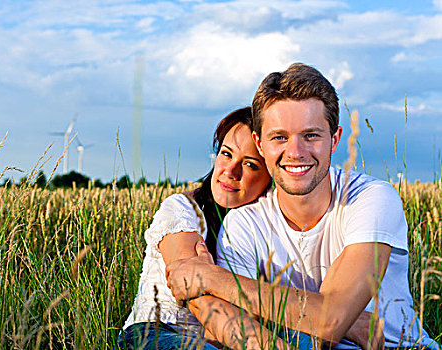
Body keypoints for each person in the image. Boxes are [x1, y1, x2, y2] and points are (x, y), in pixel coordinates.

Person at [166, 63, 440, 349]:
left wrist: (211, 278)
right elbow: (237, 329)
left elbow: (330, 321)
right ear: (260, 144)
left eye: (311, 135)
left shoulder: (371, 199)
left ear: (334, 140)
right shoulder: (243, 224)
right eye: (280, 137)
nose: (295, 153)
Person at [118, 107, 274, 349]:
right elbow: (193, 292)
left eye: (251, 165)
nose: (230, 171)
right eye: (226, 154)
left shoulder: (264, 227)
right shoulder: (183, 209)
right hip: (159, 332)